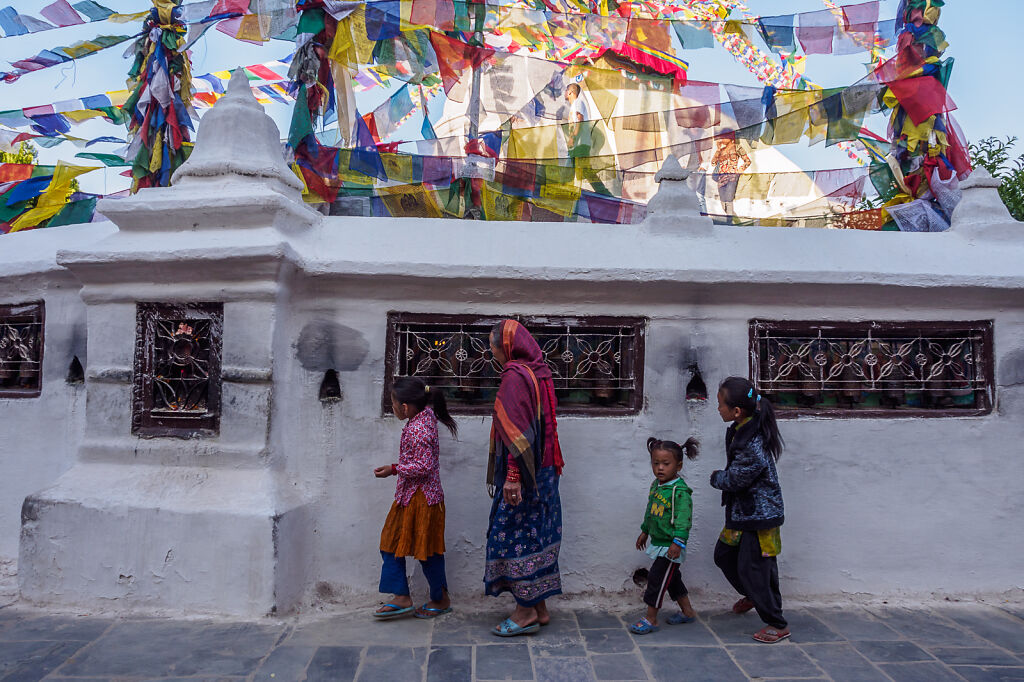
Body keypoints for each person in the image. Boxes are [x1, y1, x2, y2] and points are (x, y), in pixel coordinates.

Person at [485, 319, 565, 637]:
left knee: (512, 535)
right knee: (538, 532)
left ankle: (525, 611)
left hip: (526, 474)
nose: (493, 355)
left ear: (506, 347)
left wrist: (514, 476)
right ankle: (540, 607)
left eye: (494, 348)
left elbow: (518, 434)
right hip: (545, 471)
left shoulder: (515, 378)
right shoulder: (539, 372)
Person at [710, 377, 789, 643]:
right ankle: (755, 596)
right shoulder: (740, 428)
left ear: (736, 411)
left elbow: (736, 479)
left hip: (759, 516)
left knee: (756, 570)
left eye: (720, 404)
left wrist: (716, 478)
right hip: (742, 513)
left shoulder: (751, 443)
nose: (717, 408)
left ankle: (777, 623)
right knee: (724, 555)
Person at [373, 377, 459, 620]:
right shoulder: (422, 418)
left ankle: (440, 599)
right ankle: (401, 596)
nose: (392, 407)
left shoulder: (419, 428)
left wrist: (394, 469)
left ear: (406, 407)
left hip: (423, 499)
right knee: (391, 543)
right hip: (409, 496)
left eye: (393, 403)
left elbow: (424, 465)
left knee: (427, 550)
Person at [630, 437, 700, 635]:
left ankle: (651, 619)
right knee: (673, 579)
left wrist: (678, 542)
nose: (660, 468)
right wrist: (645, 531)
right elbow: (651, 510)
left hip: (671, 545)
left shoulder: (680, 491)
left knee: (657, 580)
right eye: (656, 463)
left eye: (666, 464)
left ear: (678, 465)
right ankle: (688, 612)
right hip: (658, 542)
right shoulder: (656, 485)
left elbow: (683, 519)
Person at [565, 82, 611, 196]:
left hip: (579, 143)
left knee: (582, 169)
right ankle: (567, 190)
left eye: (566, 90)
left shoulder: (578, 103)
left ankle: (604, 193)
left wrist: (573, 137)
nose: (564, 93)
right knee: (576, 168)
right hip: (577, 143)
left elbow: (580, 119)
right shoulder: (573, 105)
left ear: (571, 92)